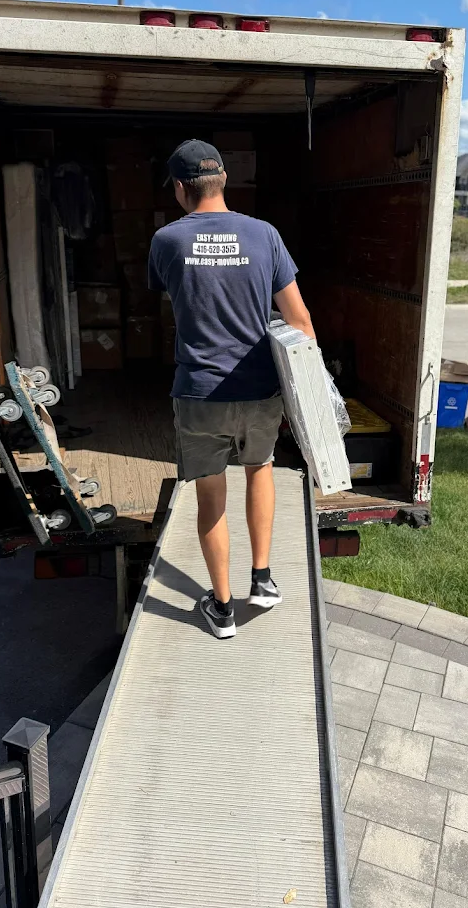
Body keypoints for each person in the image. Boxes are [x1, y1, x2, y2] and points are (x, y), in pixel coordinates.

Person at [148, 140, 315, 639]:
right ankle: (261, 580)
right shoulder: (265, 235)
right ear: (223, 181)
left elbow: (172, 301)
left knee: (210, 497)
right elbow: (299, 320)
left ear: (181, 187)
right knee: (260, 468)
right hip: (260, 389)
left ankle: (221, 610)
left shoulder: (166, 240)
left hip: (200, 392)